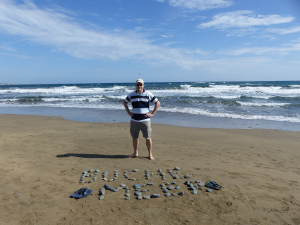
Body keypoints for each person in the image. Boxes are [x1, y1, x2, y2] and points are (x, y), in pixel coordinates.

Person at [123, 79, 160, 160]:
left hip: (145, 120)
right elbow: (125, 102)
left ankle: (150, 154)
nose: (139, 86)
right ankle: (135, 152)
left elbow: (157, 103)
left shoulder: (148, 94)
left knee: (148, 137)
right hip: (134, 120)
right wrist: (129, 113)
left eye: (141, 85)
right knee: (135, 137)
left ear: (143, 85)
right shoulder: (131, 94)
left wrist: (152, 113)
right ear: (135, 85)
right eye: (138, 85)